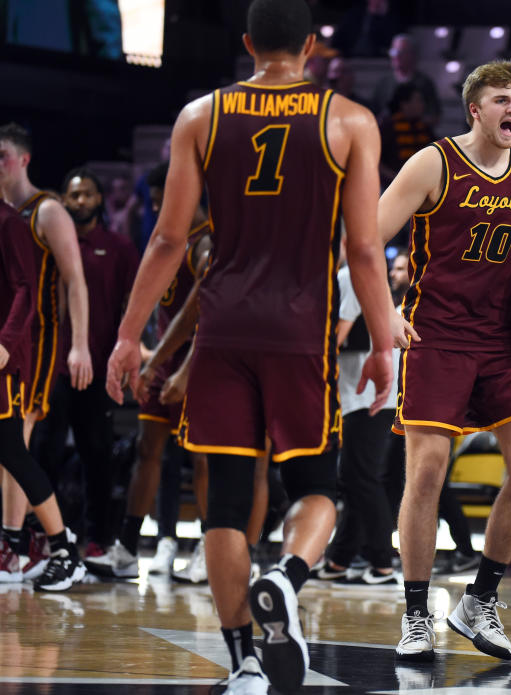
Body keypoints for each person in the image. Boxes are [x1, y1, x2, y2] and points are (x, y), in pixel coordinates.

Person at [105, 2, 399, 693]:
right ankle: (286, 575)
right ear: (312, 45)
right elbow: (363, 248)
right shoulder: (350, 120)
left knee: (225, 503)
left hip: (223, 331)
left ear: (245, 45)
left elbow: (169, 241)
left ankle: (242, 663)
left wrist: (129, 336)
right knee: (317, 487)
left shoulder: (198, 117)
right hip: (300, 330)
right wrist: (384, 340)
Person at [379, 59, 511, 662]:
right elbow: (368, 235)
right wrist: (384, 310)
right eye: (502, 99)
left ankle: (479, 601)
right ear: (475, 109)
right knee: (426, 472)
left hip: (499, 338)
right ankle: (417, 612)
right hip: (436, 335)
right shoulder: (433, 162)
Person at [84, 161, 212, 580]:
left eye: (164, 201)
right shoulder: (166, 240)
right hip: (164, 357)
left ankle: (208, 550)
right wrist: (143, 350)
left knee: (201, 458)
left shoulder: (207, 242)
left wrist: (179, 369)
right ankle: (126, 545)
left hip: (200, 359)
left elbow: (203, 316)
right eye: (155, 203)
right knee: (147, 450)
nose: (159, 209)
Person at [0, 122, 93, 580]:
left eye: (3, 154)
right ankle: (24, 542)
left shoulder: (47, 210)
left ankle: (17, 545)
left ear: (23, 159)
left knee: (17, 444)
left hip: (38, 339)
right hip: (11, 336)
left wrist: (80, 346)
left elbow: (75, 280)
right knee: (11, 447)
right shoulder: (6, 213)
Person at [29, 168, 138, 555]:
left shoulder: (121, 248)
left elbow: (132, 305)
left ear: (100, 199)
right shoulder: (48, 243)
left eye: (87, 195)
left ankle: (98, 540)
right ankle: (43, 538)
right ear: (63, 200)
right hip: (52, 365)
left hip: (99, 364)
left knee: (98, 455)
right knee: (44, 453)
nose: (79, 202)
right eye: (73, 195)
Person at [317, 260, 401, 586]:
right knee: (354, 477)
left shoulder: (350, 273)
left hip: (369, 392)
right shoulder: (348, 274)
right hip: (363, 391)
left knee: (360, 476)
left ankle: (383, 563)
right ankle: (339, 559)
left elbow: (339, 333)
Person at [371, 34, 441, 127]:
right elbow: (374, 114)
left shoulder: (424, 83)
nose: (396, 56)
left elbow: (434, 115)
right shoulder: (384, 83)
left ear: (412, 55)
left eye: (401, 52)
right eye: (393, 52)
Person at [379, 84, 436, 185]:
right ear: (404, 104)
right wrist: (394, 177)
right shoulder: (388, 127)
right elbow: (375, 159)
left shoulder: (424, 127)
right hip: (390, 187)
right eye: (418, 100)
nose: (422, 105)